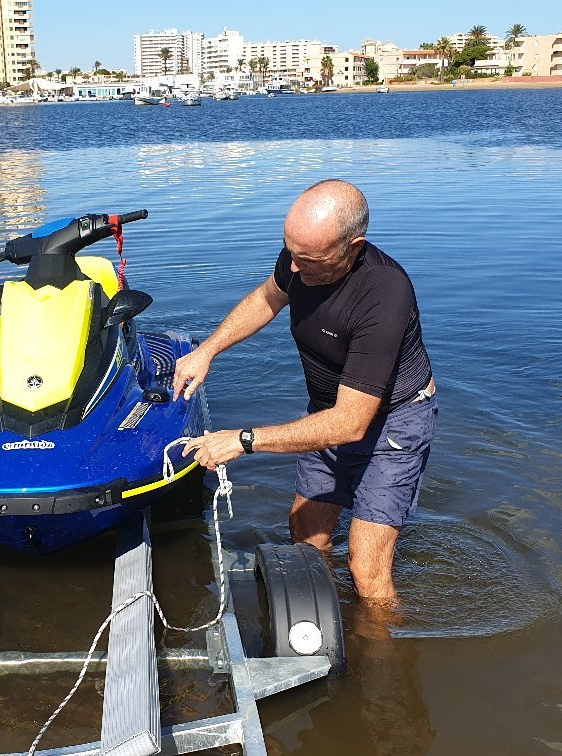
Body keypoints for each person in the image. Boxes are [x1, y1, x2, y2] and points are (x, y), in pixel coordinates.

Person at [176, 179, 437, 604]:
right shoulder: (300, 259)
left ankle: (384, 661)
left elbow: (352, 424)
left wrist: (244, 440)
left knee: (367, 572)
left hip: (393, 425)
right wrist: (207, 350)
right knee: (305, 538)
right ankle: (322, 623)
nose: (294, 268)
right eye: (291, 253)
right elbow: (266, 298)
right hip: (327, 412)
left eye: (309, 259)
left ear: (352, 247)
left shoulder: (384, 293)